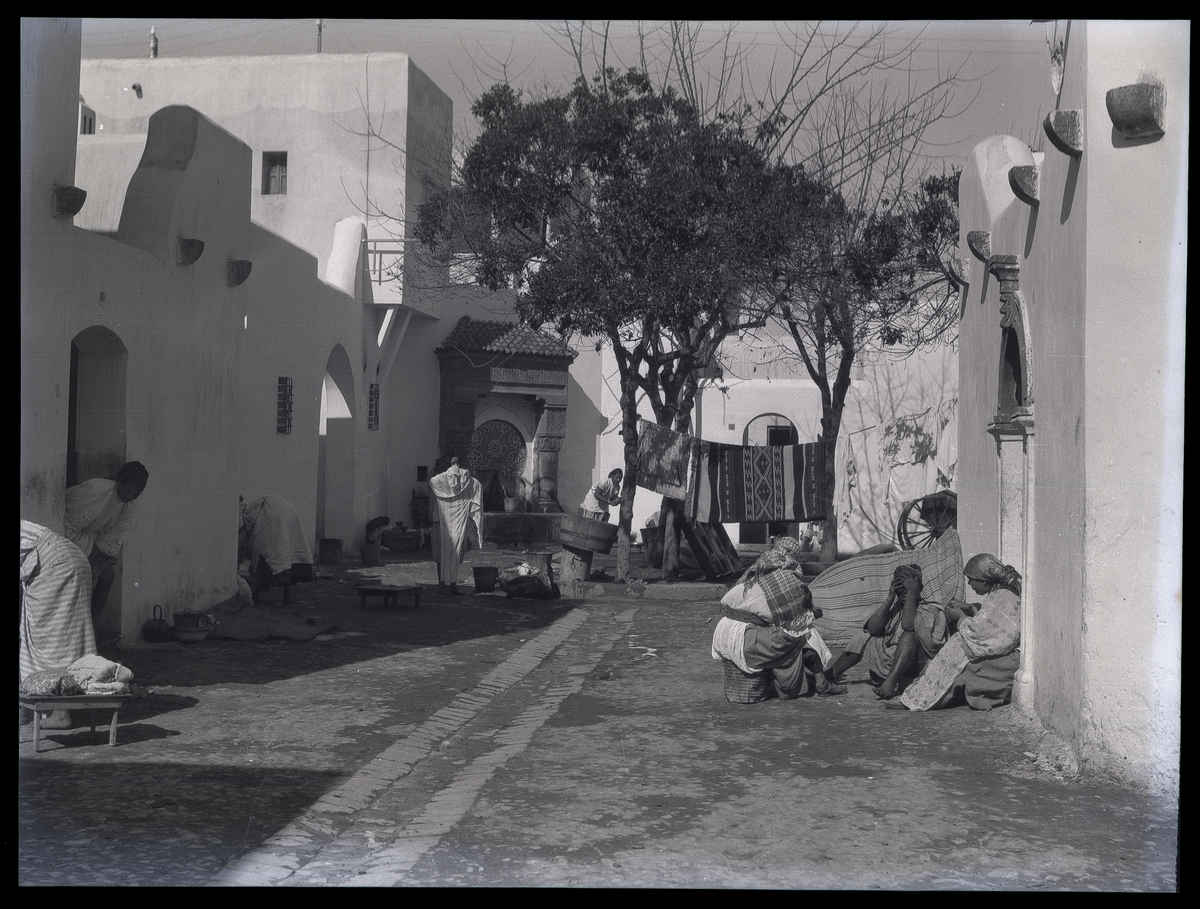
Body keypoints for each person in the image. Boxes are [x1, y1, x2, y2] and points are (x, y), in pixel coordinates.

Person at [711, 536, 846, 700]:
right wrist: (811, 614)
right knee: (805, 632)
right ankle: (821, 682)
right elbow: (795, 619)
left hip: (723, 632)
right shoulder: (787, 578)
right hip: (745, 639)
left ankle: (808, 677)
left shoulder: (758, 568)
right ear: (792, 556)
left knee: (788, 630)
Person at [895, 554, 1022, 711]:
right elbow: (989, 621)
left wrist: (960, 617)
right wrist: (971, 608)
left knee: (958, 647)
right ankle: (922, 693)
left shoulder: (1002, 596)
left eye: (971, 579)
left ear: (983, 580)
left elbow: (978, 632)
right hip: (999, 651)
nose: (969, 584)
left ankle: (922, 697)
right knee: (958, 645)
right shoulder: (999, 593)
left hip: (1009, 657)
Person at [824, 563, 949, 700]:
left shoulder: (930, 609)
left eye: (907, 589)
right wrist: (890, 598)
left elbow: (908, 625)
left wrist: (912, 594)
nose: (903, 593)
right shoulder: (896, 607)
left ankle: (890, 684)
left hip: (915, 664)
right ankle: (830, 675)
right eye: (900, 590)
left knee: (908, 636)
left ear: (920, 588)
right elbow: (873, 628)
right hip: (892, 658)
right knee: (863, 637)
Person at [20, 520, 97, 729]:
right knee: (49, 636)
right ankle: (28, 709)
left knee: (54, 640)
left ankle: (60, 713)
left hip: (56, 565)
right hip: (71, 558)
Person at [63, 461, 150, 622]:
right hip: (67, 531)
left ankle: (92, 622)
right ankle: (73, 625)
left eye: (135, 494)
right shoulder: (97, 489)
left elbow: (109, 539)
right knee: (77, 577)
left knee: (108, 575)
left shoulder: (127, 508)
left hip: (89, 538)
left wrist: (92, 564)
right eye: (128, 490)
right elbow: (68, 514)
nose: (130, 496)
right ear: (120, 481)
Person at [239, 495, 314, 598]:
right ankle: (287, 593)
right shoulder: (251, 505)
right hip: (287, 508)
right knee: (286, 550)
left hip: (272, 512)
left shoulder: (240, 512)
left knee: (267, 552)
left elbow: (242, 540)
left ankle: (256, 591)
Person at [428, 454, 483, 595]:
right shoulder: (440, 480)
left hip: (457, 523)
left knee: (455, 552)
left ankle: (453, 584)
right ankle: (442, 584)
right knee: (441, 554)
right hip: (440, 522)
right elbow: (432, 483)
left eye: (457, 463)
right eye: (453, 463)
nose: (455, 466)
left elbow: (475, 486)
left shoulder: (465, 481)